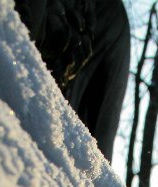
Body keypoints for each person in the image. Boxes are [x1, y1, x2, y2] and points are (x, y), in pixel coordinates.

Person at [15, 0, 130, 163]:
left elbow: (102, 130)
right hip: (19, 116)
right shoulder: (113, 18)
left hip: (38, 135)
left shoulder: (111, 16)